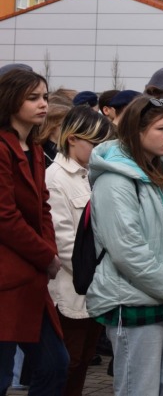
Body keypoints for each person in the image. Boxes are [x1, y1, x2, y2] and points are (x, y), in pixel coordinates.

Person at [85, 95, 163, 396]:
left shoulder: (161, 173)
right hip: (133, 299)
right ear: (136, 131)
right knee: (139, 389)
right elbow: (127, 249)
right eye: (161, 128)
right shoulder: (115, 181)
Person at [0, 69, 69, 395]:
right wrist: (46, 255)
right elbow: (5, 217)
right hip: (7, 278)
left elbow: (43, 207)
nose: (43, 104)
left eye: (44, 96)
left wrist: (49, 253)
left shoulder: (35, 148)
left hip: (30, 276)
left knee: (55, 364)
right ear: (9, 100)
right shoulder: (2, 147)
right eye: (33, 98)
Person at [46, 106, 114, 396]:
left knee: (83, 362)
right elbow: (63, 243)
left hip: (94, 289)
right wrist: (99, 273)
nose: (100, 150)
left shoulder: (91, 175)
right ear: (72, 138)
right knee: (68, 364)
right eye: (95, 143)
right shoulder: (55, 178)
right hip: (71, 289)